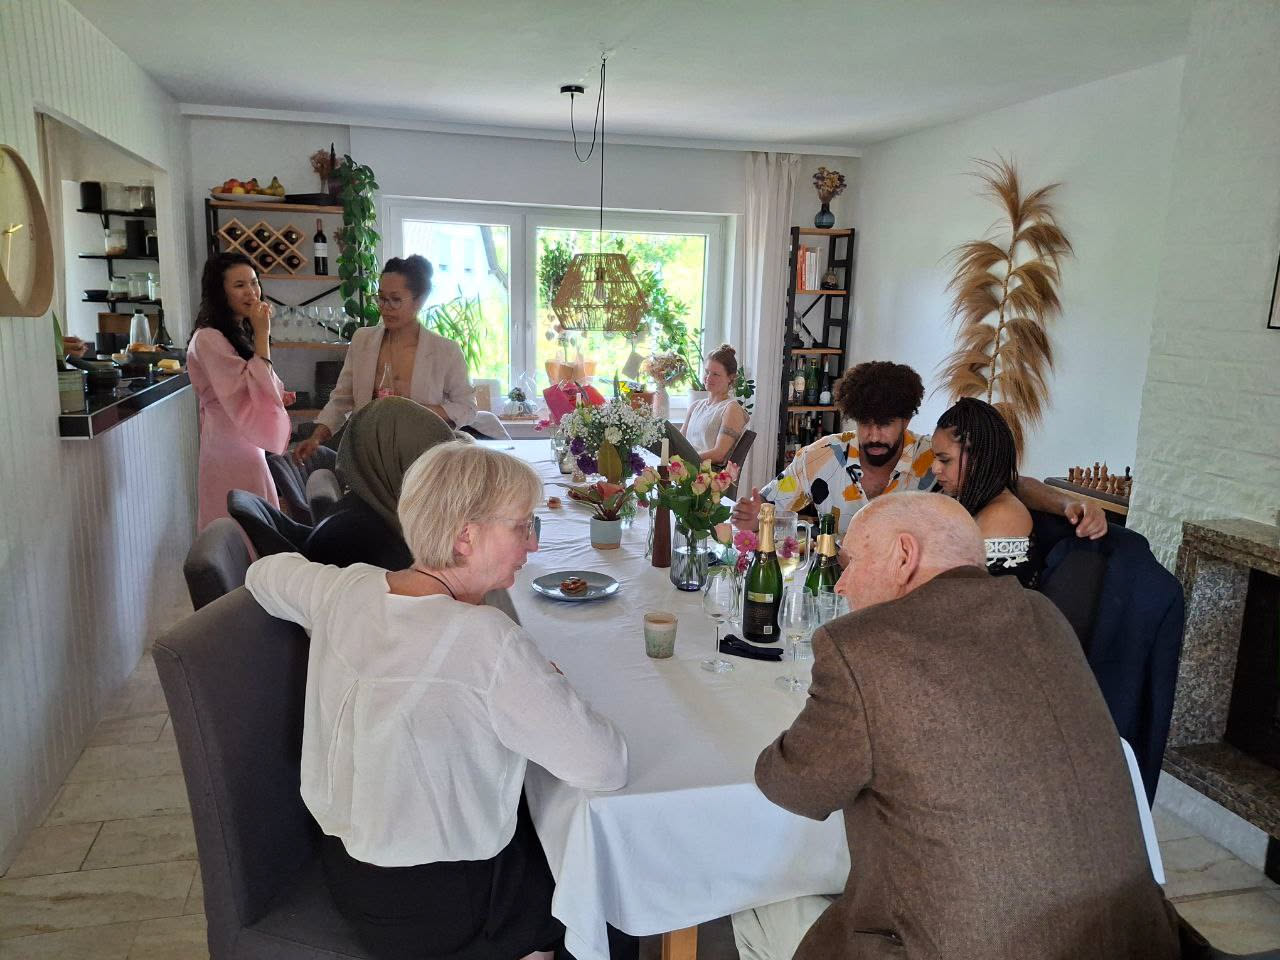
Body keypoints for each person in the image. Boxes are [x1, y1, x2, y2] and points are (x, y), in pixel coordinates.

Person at [735, 493, 1181, 960]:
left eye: (850, 562)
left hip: (959, 948)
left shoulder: (863, 645)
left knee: (753, 906)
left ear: (904, 555)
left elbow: (795, 787)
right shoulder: (1044, 615)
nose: (842, 584)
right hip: (1135, 942)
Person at [245, 441, 628, 960]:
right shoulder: (487, 639)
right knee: (608, 894)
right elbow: (605, 766)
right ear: (466, 537)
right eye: (522, 527)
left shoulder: (347, 588)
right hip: (441, 906)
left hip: (350, 873)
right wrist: (548, 683)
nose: (533, 544)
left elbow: (264, 574)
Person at [732, 360, 1107, 540]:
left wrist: (1067, 503)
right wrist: (752, 518)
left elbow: (1007, 483)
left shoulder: (936, 458)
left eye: (885, 424)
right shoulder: (821, 457)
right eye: (865, 423)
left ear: (907, 419)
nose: (873, 435)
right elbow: (768, 511)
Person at [294, 255, 478, 461]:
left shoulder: (445, 350)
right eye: (381, 298)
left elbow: (467, 407)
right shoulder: (363, 340)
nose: (385, 307)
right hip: (368, 452)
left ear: (419, 300)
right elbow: (341, 399)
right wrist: (316, 438)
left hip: (421, 455)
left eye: (396, 299)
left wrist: (416, 411)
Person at [186, 252, 291, 530]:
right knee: (239, 526)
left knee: (258, 523)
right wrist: (262, 334)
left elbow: (253, 382)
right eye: (239, 285)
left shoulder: (233, 332)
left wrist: (277, 395)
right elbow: (245, 387)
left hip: (245, 443)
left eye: (254, 282)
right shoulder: (208, 338)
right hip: (229, 448)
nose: (251, 292)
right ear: (220, 292)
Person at [303, 396, 459, 570]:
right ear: (395, 461)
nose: (442, 483)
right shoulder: (352, 539)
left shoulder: (381, 509)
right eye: (431, 469)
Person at [931, 396, 1037, 583]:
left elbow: (960, 589)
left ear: (978, 458)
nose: (935, 468)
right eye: (935, 458)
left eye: (944, 459)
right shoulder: (970, 500)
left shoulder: (1003, 516)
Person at [681, 343, 749, 464]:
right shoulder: (695, 406)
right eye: (707, 372)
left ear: (730, 378)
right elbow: (678, 442)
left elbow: (719, 454)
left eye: (715, 374)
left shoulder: (731, 409)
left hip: (707, 472)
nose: (708, 377)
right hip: (684, 467)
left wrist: (683, 460)